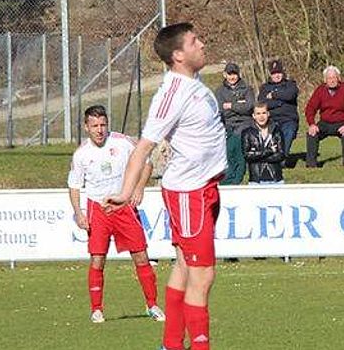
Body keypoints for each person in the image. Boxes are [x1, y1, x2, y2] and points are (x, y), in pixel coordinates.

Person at [105, 22, 227, 350]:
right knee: (203, 275)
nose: (202, 44)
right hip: (189, 193)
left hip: (205, 188)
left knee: (185, 267)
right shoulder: (170, 94)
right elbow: (142, 148)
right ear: (178, 55)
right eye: (194, 41)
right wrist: (125, 192)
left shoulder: (194, 82)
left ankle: (171, 345)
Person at [67, 105, 164, 324]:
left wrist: (139, 188)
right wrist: (79, 213)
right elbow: (74, 186)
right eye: (94, 126)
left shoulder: (122, 142)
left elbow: (147, 163)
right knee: (97, 259)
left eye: (103, 125)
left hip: (123, 207)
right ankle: (96, 309)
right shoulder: (81, 154)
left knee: (141, 256)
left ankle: (152, 305)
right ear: (86, 127)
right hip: (98, 209)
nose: (99, 130)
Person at [305, 65, 344, 167]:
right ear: (325, 80)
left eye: (334, 77)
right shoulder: (320, 90)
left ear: (338, 78)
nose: (332, 80)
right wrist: (312, 124)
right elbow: (310, 108)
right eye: (329, 78)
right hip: (324, 123)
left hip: (342, 122)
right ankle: (311, 164)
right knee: (312, 133)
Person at [215, 62, 255, 185]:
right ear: (225, 75)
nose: (232, 77)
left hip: (245, 123)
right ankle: (228, 179)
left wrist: (231, 105)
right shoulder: (219, 91)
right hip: (227, 124)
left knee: (237, 147)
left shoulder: (247, 89)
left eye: (234, 74)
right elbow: (221, 110)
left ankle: (236, 178)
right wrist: (239, 105)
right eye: (230, 74)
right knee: (228, 153)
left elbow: (249, 107)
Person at [257, 60, 300, 159]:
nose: (277, 75)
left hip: (288, 119)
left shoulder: (290, 84)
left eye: (279, 72)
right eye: (274, 73)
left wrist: (273, 95)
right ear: (270, 74)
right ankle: (272, 158)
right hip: (271, 120)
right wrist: (280, 102)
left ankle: (281, 158)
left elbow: (290, 95)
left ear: (282, 72)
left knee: (288, 132)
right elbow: (262, 103)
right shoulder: (265, 88)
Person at [242, 102, 286, 184]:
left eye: (264, 113)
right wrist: (269, 151)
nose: (261, 117)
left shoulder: (277, 131)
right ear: (253, 116)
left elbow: (281, 155)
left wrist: (258, 156)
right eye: (258, 114)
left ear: (268, 114)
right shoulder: (247, 133)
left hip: (276, 180)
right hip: (256, 181)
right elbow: (247, 156)